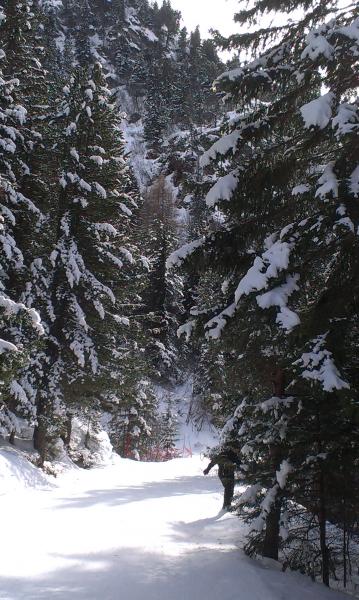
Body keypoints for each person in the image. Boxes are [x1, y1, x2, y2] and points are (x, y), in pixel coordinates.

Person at [203, 445, 240, 510]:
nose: (237, 450)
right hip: (226, 475)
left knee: (229, 489)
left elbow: (212, 463)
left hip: (224, 474)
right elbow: (239, 463)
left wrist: (207, 469)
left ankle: (227, 504)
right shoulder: (230, 455)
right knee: (229, 489)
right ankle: (226, 506)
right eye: (236, 449)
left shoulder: (224, 455)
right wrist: (207, 469)